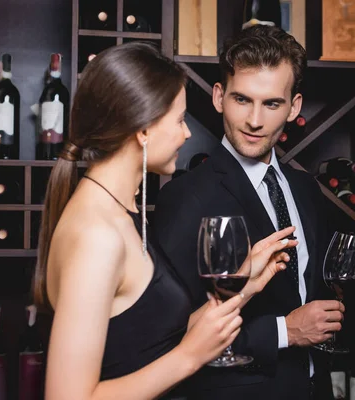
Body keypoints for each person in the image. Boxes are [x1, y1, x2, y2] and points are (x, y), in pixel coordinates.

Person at [153, 25, 355, 400]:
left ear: (295, 107)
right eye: (242, 100)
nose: (255, 120)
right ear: (219, 97)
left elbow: (344, 279)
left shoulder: (303, 188)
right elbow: (172, 339)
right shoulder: (185, 197)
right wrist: (285, 332)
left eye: (272, 103)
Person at [33, 42, 297, 400]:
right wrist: (189, 358)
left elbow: (145, 341)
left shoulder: (118, 210)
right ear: (143, 130)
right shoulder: (97, 235)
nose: (187, 134)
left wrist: (244, 282)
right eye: (179, 120)